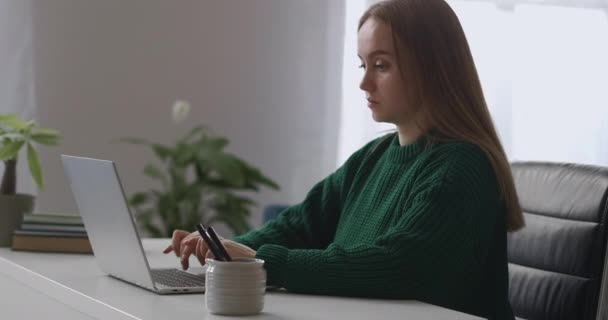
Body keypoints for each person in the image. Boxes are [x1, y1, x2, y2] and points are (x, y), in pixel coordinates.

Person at [164, 0, 524, 319]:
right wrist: (225, 252)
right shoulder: (373, 157)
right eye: (362, 65)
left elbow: (400, 267)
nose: (364, 83)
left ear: (432, 67)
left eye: (381, 65)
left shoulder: (461, 168)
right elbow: (300, 225)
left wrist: (262, 263)